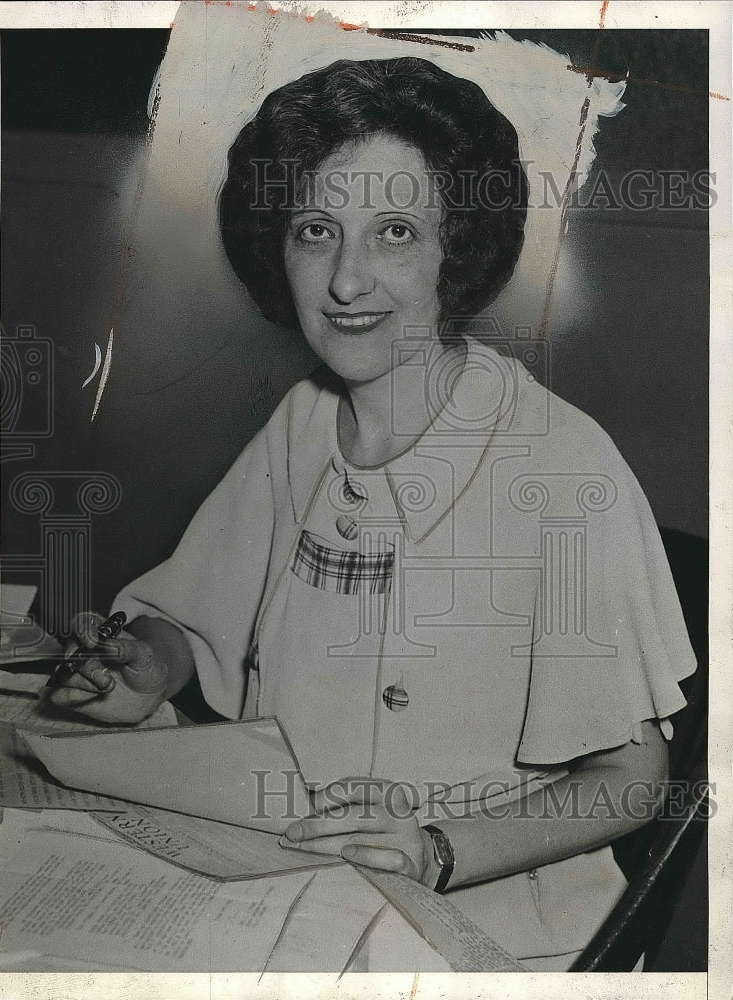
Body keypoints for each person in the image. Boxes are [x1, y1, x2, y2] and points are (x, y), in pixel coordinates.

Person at [43, 57, 697, 970]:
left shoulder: (562, 466)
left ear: (455, 248)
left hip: (499, 923)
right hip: (289, 876)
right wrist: (145, 668)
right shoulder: (303, 421)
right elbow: (193, 619)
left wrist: (437, 851)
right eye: (316, 231)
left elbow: (631, 782)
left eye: (394, 232)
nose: (346, 282)